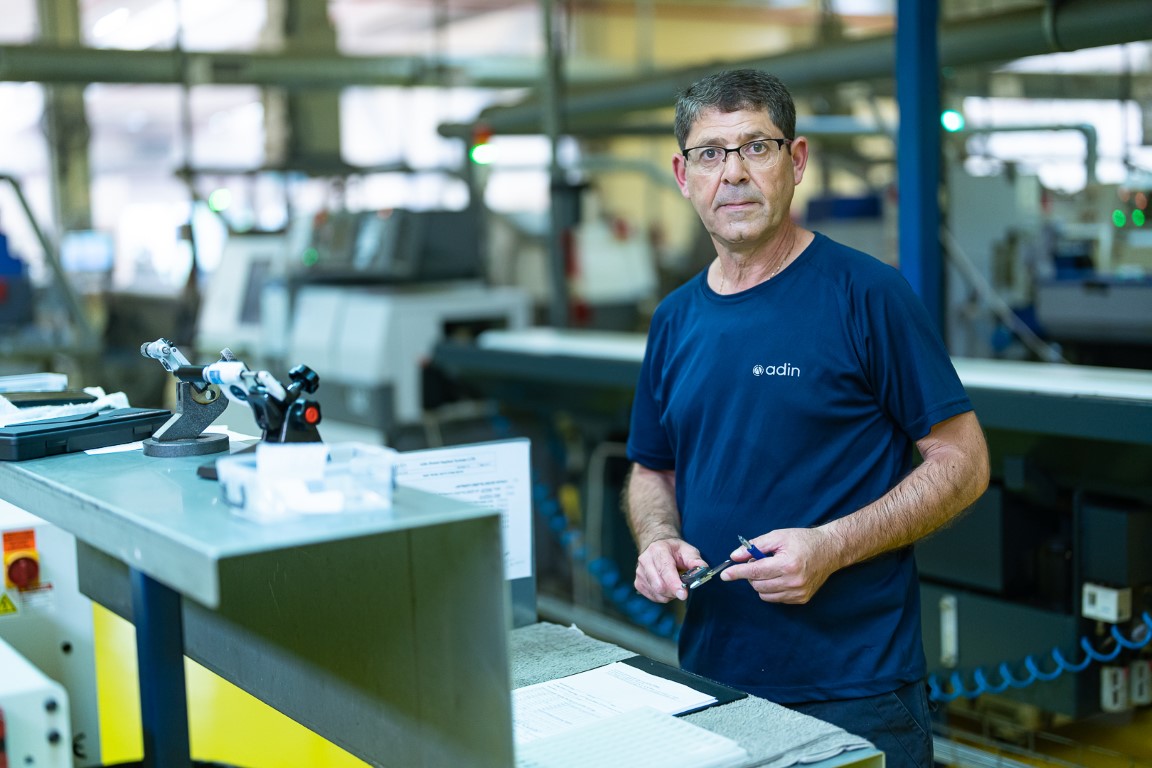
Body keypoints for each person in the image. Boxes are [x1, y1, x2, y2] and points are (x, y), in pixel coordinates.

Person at [624, 68, 990, 768]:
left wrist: (832, 547)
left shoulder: (867, 295)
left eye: (756, 147)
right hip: (715, 681)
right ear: (682, 174)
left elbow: (963, 462)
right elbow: (652, 468)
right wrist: (659, 540)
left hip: (855, 689)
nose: (733, 173)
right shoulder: (673, 320)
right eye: (710, 153)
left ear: (795, 162)